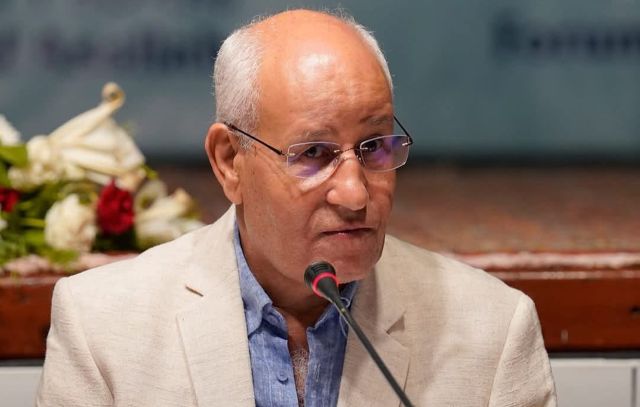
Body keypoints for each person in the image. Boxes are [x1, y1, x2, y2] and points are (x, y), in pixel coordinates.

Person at [37, 9, 556, 406]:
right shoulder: (103, 326)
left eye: (375, 146)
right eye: (313, 154)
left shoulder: (492, 331)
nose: (355, 194)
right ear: (230, 162)